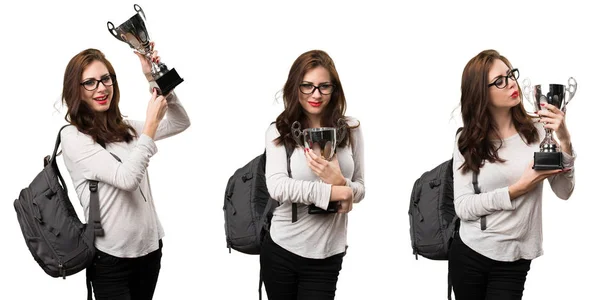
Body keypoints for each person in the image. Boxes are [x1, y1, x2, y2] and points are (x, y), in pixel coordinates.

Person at [59, 43, 190, 300]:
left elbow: (180, 122)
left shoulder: (125, 128)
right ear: (76, 89)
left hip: (150, 249)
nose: (101, 88)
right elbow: (127, 178)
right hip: (111, 259)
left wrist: (152, 76)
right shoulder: (73, 137)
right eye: (90, 82)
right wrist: (150, 128)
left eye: (105, 79)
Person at [449, 49, 576, 300]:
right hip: (471, 251)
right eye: (500, 81)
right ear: (480, 93)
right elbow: (463, 207)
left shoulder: (540, 131)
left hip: (515, 256)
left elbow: (564, 192)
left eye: (511, 75)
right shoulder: (467, 140)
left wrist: (565, 139)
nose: (511, 84)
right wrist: (518, 189)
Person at [260, 49, 365, 300]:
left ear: (334, 89)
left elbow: (360, 187)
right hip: (283, 248)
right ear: (295, 88)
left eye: (323, 86)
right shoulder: (279, 130)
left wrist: (341, 183)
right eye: (307, 86)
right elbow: (277, 187)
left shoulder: (351, 129)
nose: (316, 94)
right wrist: (333, 192)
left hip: (327, 252)